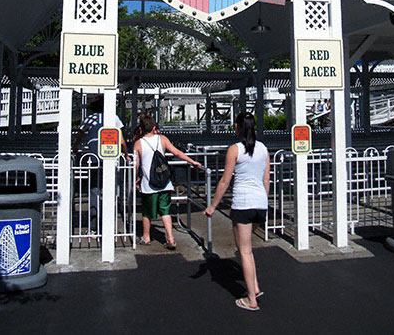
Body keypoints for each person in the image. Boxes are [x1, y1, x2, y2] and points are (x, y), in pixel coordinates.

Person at [204, 112, 270, 312]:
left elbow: (225, 181)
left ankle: (251, 299)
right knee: (248, 250)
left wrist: (213, 205)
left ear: (238, 127)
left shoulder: (235, 150)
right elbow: (266, 180)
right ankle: (255, 286)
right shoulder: (263, 149)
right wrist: (264, 200)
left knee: (245, 251)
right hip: (260, 203)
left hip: (243, 203)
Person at [134, 113, 201, 249]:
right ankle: (170, 238)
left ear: (141, 128)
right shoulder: (162, 139)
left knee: (147, 212)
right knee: (165, 211)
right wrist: (192, 161)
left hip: (148, 184)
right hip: (164, 181)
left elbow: (136, 165)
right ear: (154, 127)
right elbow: (177, 152)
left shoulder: (138, 144)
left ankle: (146, 237)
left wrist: (136, 179)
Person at [72, 96, 129, 232]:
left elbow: (79, 135)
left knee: (94, 192)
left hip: (94, 159)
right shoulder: (113, 118)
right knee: (112, 192)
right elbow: (121, 140)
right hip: (111, 158)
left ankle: (93, 227)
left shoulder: (89, 119)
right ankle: (110, 225)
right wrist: (126, 154)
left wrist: (75, 148)